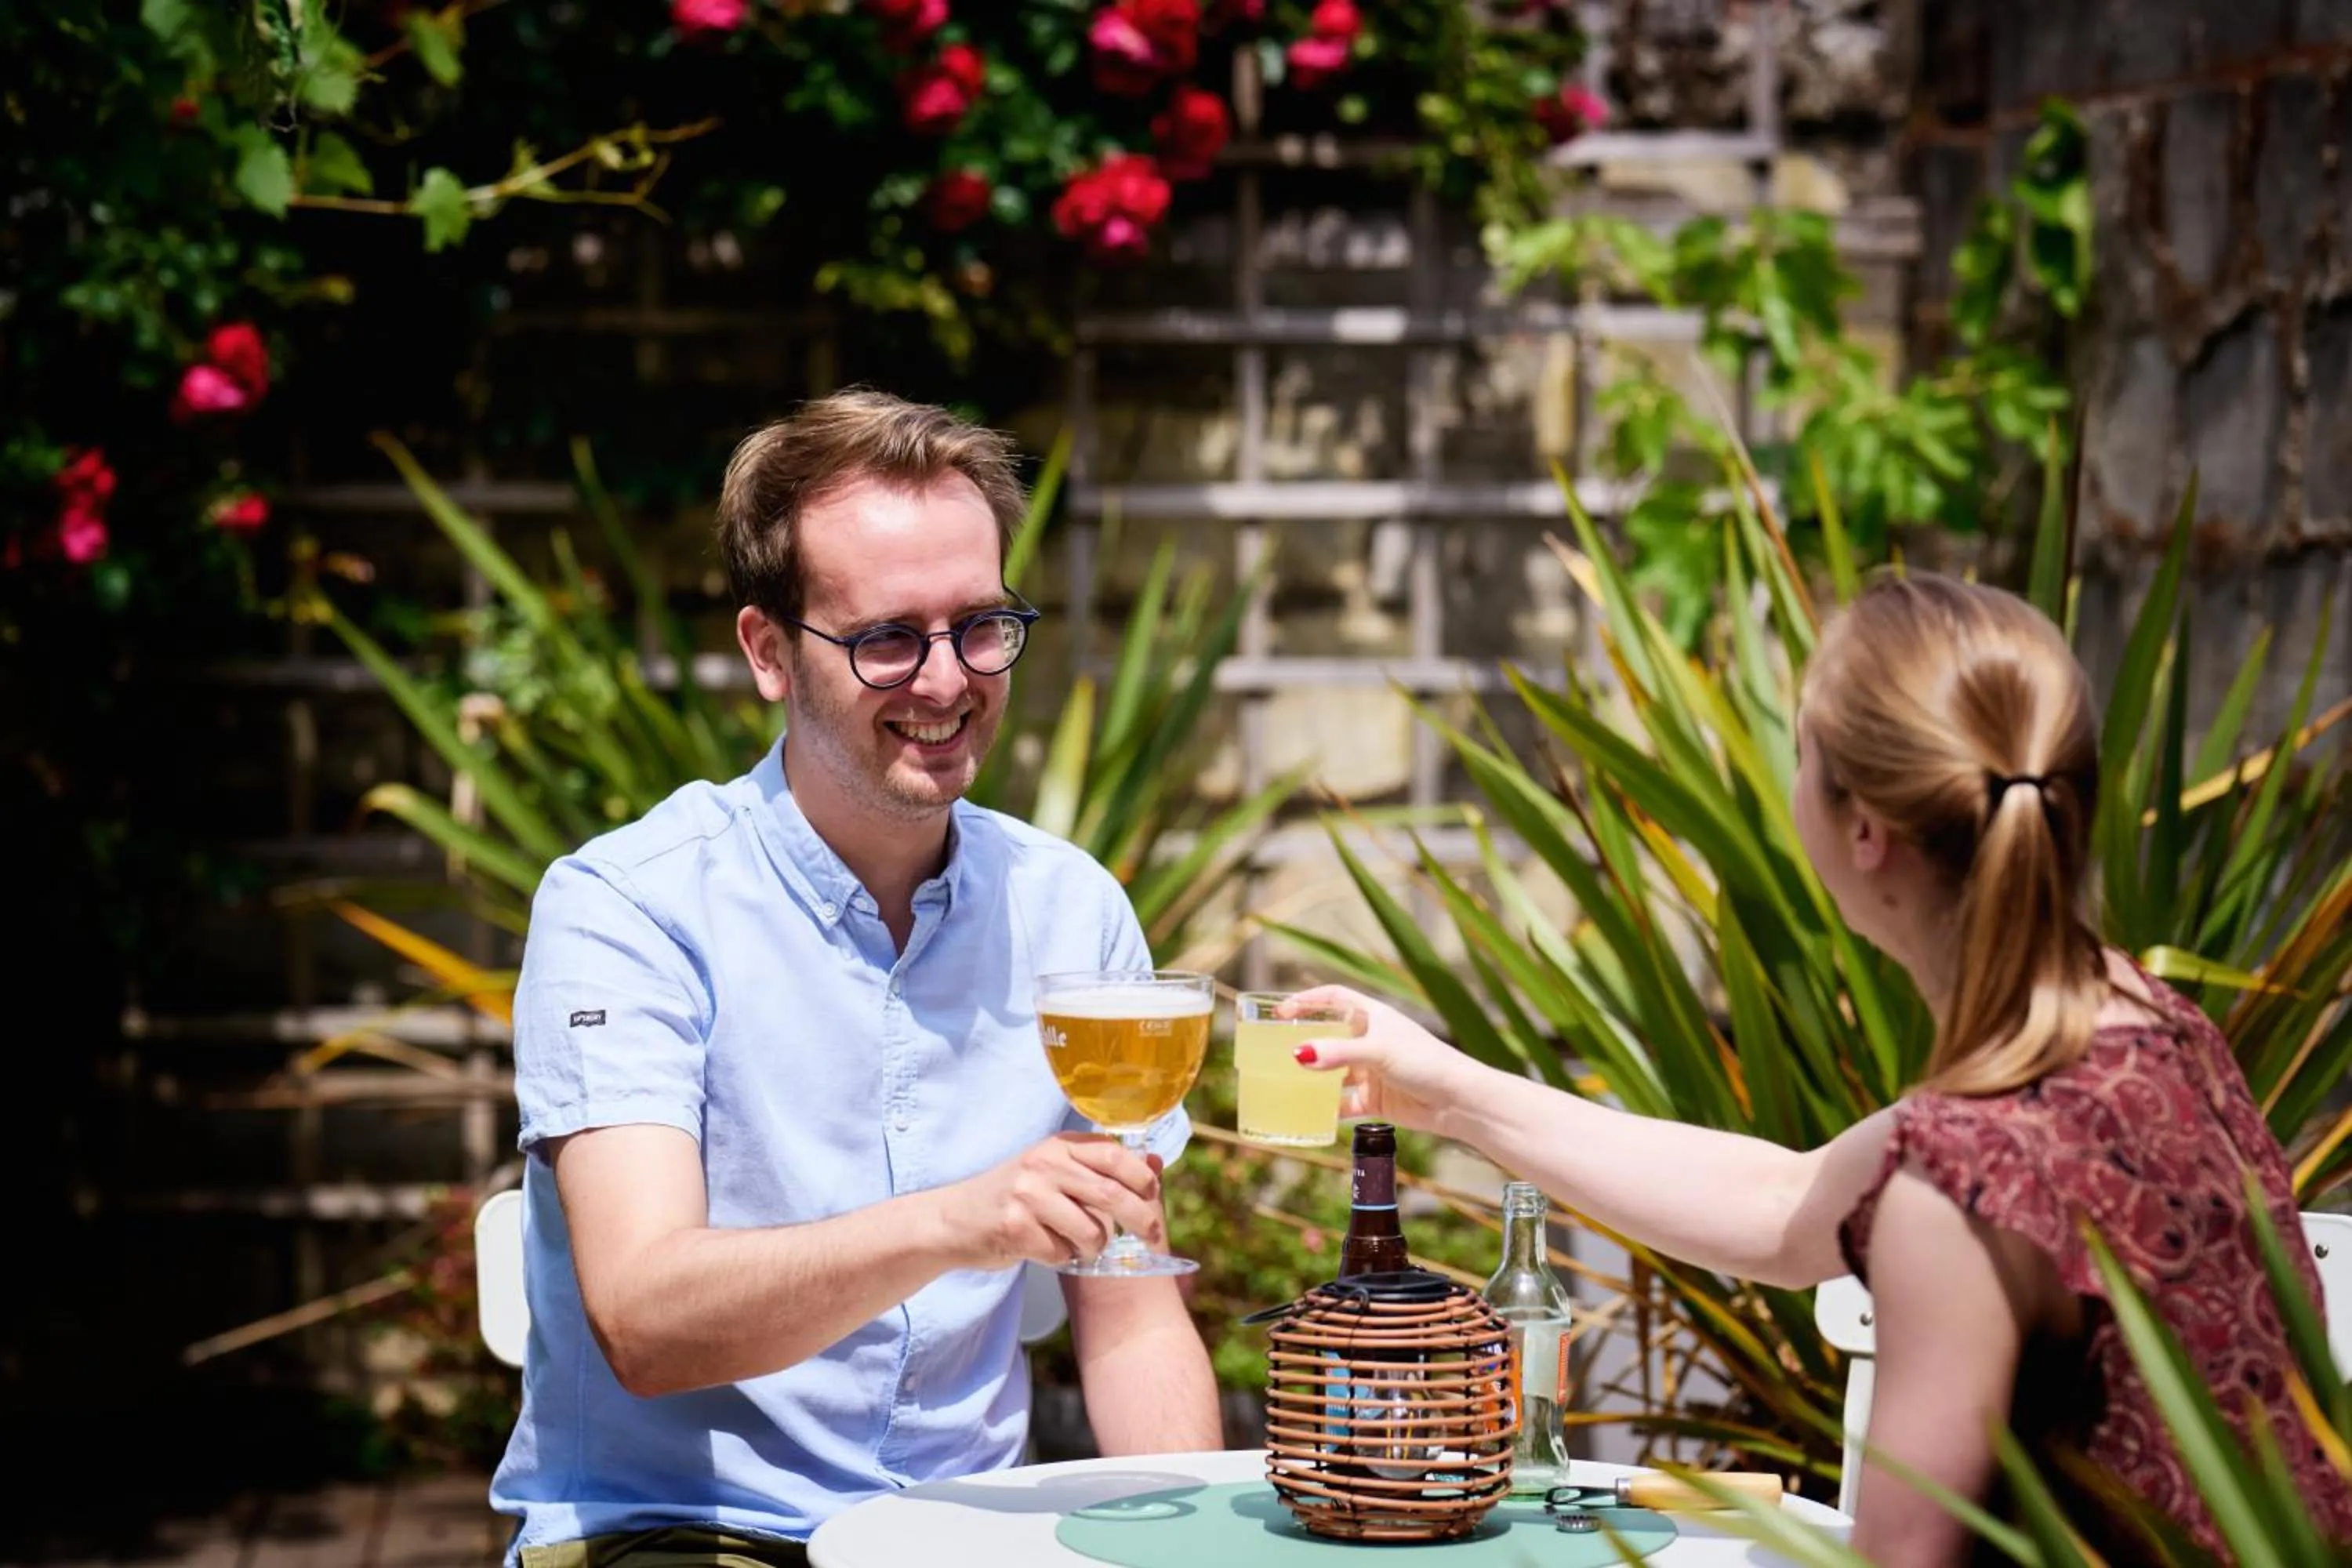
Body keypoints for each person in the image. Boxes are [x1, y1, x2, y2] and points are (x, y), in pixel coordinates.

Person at [1284, 572, 2352, 1563]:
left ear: (1864, 830)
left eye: (1803, 752)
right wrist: (1454, 1093)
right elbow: (1792, 1205)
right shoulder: (2141, 1031)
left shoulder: (1966, 1181)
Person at [488, 390, 1221, 1567]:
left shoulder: (1070, 908)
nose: (947, 681)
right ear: (769, 653)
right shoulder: (629, 906)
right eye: (888, 638)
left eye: (981, 626)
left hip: (972, 1537)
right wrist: (953, 1222)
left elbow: (1131, 1317)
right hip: (684, 1535)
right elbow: (644, 1320)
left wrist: (1187, 1542)